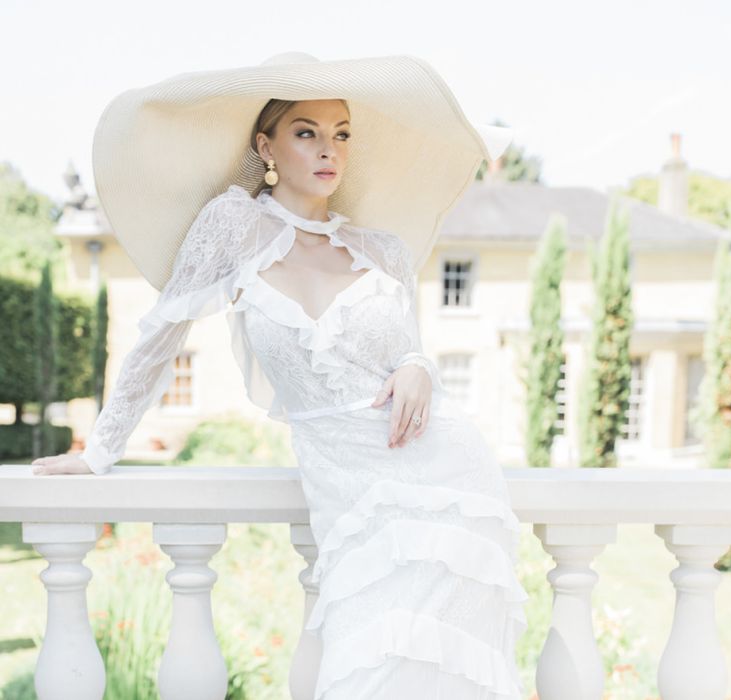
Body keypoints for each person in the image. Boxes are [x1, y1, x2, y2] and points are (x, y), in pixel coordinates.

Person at [31, 54, 529, 698]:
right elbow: (160, 336)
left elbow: (409, 352)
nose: (329, 149)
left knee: (451, 669)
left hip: (448, 478)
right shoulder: (234, 226)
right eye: (307, 131)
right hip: (351, 493)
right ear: (265, 145)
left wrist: (417, 366)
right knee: (366, 670)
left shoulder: (382, 251)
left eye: (342, 133)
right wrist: (100, 452)